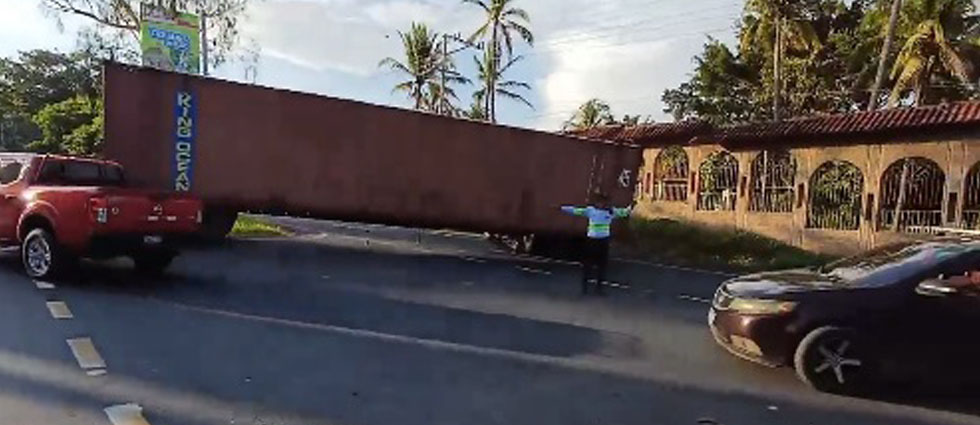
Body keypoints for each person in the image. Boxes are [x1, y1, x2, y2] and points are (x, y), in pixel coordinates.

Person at [561, 193, 632, 295]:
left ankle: (599, 289)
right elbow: (575, 210)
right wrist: (562, 208)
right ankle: (584, 288)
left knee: (602, 266)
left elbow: (624, 212)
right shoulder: (590, 211)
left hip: (603, 241)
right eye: (600, 202)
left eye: (604, 202)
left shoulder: (611, 211)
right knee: (588, 265)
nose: (602, 204)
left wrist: (631, 206)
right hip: (592, 241)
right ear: (597, 203)